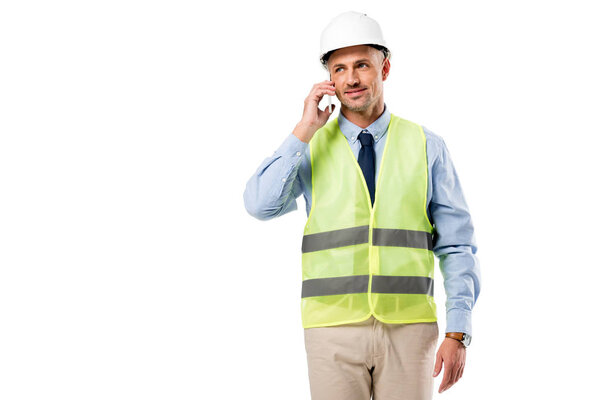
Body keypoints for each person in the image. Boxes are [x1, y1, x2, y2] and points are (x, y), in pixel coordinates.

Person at [243, 11, 481, 400]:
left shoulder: (426, 146)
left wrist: (458, 330)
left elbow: (457, 245)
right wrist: (303, 130)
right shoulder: (309, 147)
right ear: (329, 79)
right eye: (339, 69)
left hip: (410, 330)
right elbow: (258, 204)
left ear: (384, 69)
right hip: (331, 330)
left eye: (362, 65)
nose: (351, 78)